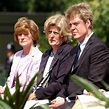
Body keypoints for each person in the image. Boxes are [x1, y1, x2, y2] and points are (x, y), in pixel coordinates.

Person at [49, 2, 109, 109]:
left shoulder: (98, 48)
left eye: (76, 24)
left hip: (83, 101)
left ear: (88, 23)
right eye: (70, 25)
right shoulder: (74, 50)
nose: (72, 28)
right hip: (67, 100)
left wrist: (66, 99)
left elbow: (94, 84)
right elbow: (65, 81)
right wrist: (60, 96)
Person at [28, 14, 73, 102]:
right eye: (49, 32)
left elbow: (60, 82)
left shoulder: (68, 52)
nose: (51, 36)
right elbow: (40, 80)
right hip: (39, 97)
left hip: (56, 98)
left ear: (63, 35)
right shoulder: (46, 54)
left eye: (55, 33)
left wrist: (37, 94)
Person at [0, 17, 42, 95]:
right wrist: (4, 89)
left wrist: (8, 92)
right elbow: (10, 79)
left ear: (33, 35)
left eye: (25, 34)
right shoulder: (17, 55)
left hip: (25, 97)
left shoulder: (38, 57)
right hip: (11, 94)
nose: (22, 37)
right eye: (19, 35)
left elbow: (31, 86)